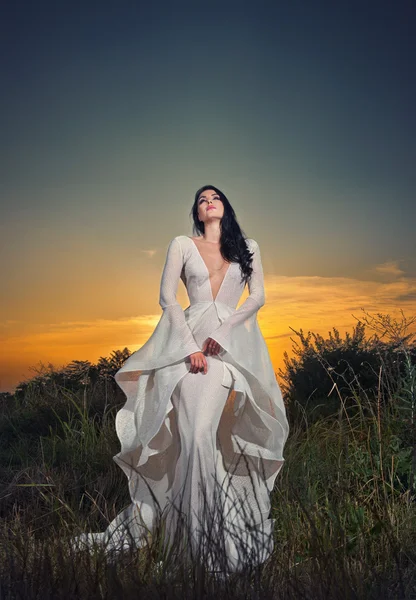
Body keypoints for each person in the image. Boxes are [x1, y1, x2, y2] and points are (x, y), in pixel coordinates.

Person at [71, 185, 290, 573]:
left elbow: (257, 298)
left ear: (225, 206)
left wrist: (224, 335)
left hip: (232, 347)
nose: (209, 202)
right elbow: (168, 298)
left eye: (216, 197)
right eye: (202, 199)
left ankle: (213, 540)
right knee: (193, 437)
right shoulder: (182, 244)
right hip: (187, 348)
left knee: (215, 439)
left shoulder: (248, 247)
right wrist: (189, 347)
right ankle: (190, 548)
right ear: (196, 211)